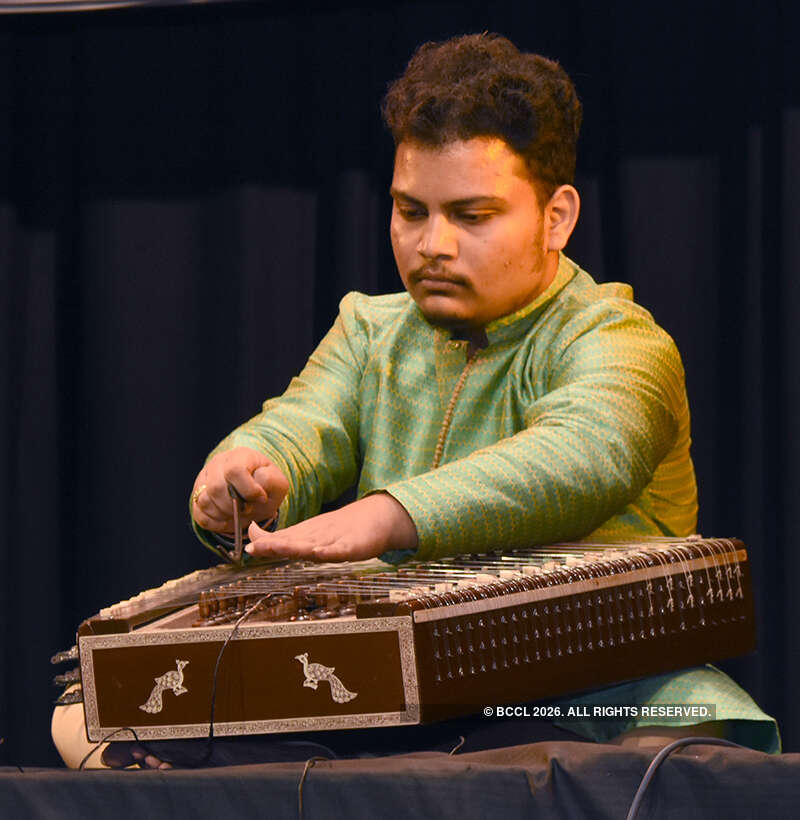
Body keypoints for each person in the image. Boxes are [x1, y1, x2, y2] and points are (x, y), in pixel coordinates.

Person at [52, 33, 778, 769]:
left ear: (557, 217)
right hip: (392, 677)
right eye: (411, 210)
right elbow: (298, 425)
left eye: (472, 216)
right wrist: (242, 477)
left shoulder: (616, 338)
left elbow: (587, 452)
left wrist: (386, 515)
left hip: (580, 688)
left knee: (670, 746)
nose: (433, 245)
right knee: (88, 713)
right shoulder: (373, 330)